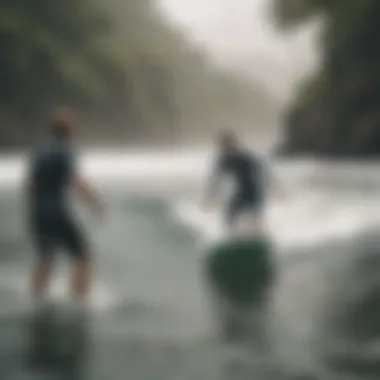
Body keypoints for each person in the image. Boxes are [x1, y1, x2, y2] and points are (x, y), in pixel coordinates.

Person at [25, 108, 104, 306]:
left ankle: (36, 298)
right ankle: (79, 300)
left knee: (46, 256)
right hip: (57, 211)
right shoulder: (65, 151)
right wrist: (96, 202)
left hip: (38, 213)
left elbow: (29, 187)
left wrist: (34, 214)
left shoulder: (40, 152)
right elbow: (75, 182)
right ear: (70, 132)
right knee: (83, 255)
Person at [203, 131, 272, 232]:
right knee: (230, 214)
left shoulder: (245, 158)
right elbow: (215, 179)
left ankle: (259, 233)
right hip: (242, 191)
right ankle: (232, 235)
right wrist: (210, 197)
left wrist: (275, 187)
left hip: (255, 189)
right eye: (223, 146)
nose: (226, 149)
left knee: (254, 214)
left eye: (229, 145)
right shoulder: (223, 160)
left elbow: (264, 172)